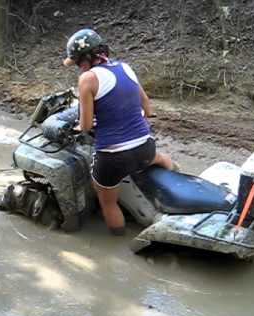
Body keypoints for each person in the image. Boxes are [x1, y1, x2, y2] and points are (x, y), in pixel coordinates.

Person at [63, 29, 173, 235]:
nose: (78, 67)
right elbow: (146, 106)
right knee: (162, 158)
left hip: (113, 158)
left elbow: (86, 126)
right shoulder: (125, 67)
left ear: (86, 58)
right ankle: (173, 189)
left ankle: (118, 237)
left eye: (78, 62)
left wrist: (78, 126)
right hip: (145, 148)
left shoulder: (87, 78)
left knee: (107, 201)